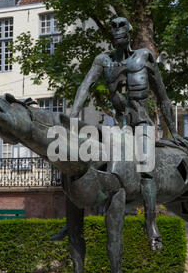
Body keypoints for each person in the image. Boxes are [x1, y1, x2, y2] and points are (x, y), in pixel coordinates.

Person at [70, 17, 180, 250]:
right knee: (88, 158)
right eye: (113, 27)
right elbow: (85, 86)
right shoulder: (104, 61)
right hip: (118, 124)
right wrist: (73, 115)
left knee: (146, 168)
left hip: (141, 122)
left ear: (129, 32)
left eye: (122, 26)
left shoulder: (145, 57)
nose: (117, 30)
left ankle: (150, 224)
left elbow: (162, 97)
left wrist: (175, 132)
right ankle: (74, 218)